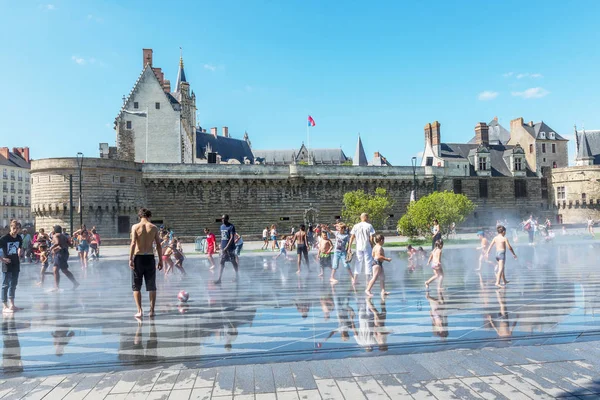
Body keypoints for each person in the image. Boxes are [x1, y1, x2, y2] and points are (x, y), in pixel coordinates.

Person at [129, 208, 163, 319]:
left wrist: (130, 258)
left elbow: (133, 243)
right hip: (149, 257)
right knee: (151, 285)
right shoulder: (153, 228)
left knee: (136, 286)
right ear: (149, 216)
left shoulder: (135, 227)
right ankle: (152, 310)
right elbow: (158, 244)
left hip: (138, 257)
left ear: (140, 216)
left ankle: (139, 311)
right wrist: (161, 260)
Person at [0, 220, 23, 313]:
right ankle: (4, 306)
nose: (15, 230)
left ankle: (12, 305)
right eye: (14, 228)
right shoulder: (4, 238)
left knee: (13, 284)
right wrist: (2, 259)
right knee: (5, 285)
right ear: (10, 227)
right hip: (7, 264)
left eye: (17, 228)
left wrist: (20, 251)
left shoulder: (19, 238)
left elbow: (20, 247)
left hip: (16, 264)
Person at [348, 213, 376, 285]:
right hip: (367, 246)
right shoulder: (369, 226)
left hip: (359, 246)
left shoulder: (356, 226)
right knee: (368, 262)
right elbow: (371, 237)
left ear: (361, 218)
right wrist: (373, 245)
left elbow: (352, 237)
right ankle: (367, 280)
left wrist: (349, 247)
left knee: (358, 261)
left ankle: (355, 279)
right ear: (366, 217)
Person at [49, 225, 79, 291]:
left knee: (64, 270)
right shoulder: (64, 236)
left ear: (55, 230)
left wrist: (51, 247)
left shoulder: (56, 235)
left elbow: (57, 242)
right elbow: (71, 245)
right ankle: (56, 286)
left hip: (60, 253)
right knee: (55, 270)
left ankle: (75, 283)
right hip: (64, 253)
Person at [215, 215, 239, 284]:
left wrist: (227, 247)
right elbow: (223, 237)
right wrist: (220, 245)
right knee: (221, 262)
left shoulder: (231, 227)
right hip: (223, 248)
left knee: (233, 261)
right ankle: (219, 279)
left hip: (230, 248)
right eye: (222, 219)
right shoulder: (221, 226)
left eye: (224, 219)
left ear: (227, 219)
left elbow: (231, 238)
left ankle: (237, 277)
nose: (222, 220)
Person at [365, 234, 391, 298]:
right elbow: (378, 256)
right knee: (375, 277)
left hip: (377, 263)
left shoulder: (375, 247)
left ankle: (383, 291)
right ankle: (367, 290)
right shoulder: (379, 247)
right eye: (383, 240)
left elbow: (373, 255)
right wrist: (387, 259)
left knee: (382, 277)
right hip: (377, 263)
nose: (384, 242)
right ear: (381, 240)